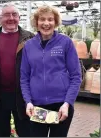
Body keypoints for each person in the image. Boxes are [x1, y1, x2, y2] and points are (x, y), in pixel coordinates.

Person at [20, 5, 82, 137]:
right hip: (38, 106)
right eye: (42, 19)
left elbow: (76, 76)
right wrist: (28, 102)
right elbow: (24, 77)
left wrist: (67, 103)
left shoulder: (65, 42)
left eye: (50, 19)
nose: (46, 23)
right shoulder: (29, 46)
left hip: (61, 105)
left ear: (56, 22)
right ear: (36, 22)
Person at [0, 3, 34, 137]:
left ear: (19, 17)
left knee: (26, 131)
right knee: (0, 132)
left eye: (14, 15)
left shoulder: (31, 38)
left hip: (23, 95)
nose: (11, 18)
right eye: (6, 15)